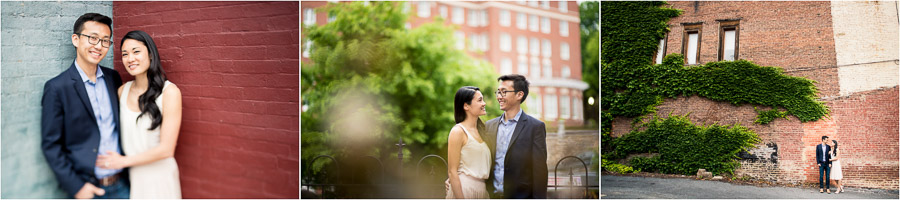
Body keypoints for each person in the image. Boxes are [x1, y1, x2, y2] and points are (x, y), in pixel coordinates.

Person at [41, 13, 128, 199]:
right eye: (93, 38)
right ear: (76, 39)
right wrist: (77, 187)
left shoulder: (114, 78)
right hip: (88, 188)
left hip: (121, 184)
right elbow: (51, 144)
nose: (99, 46)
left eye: (105, 41)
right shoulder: (57, 88)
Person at [94, 30, 183, 198]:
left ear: (150, 54)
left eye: (136, 51)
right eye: (125, 54)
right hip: (133, 178)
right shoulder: (122, 91)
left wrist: (123, 161)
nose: (130, 59)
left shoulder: (169, 92)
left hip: (160, 177)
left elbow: (166, 150)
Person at [483, 74, 548, 198]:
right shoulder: (489, 126)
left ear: (519, 95)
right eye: (498, 92)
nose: (498, 97)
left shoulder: (535, 127)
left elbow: (540, 171)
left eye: (504, 92)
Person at [445, 86, 492, 199]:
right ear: (466, 106)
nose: (484, 103)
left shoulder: (484, 131)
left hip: (482, 191)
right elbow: (452, 171)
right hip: (464, 190)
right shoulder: (458, 131)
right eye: (480, 100)